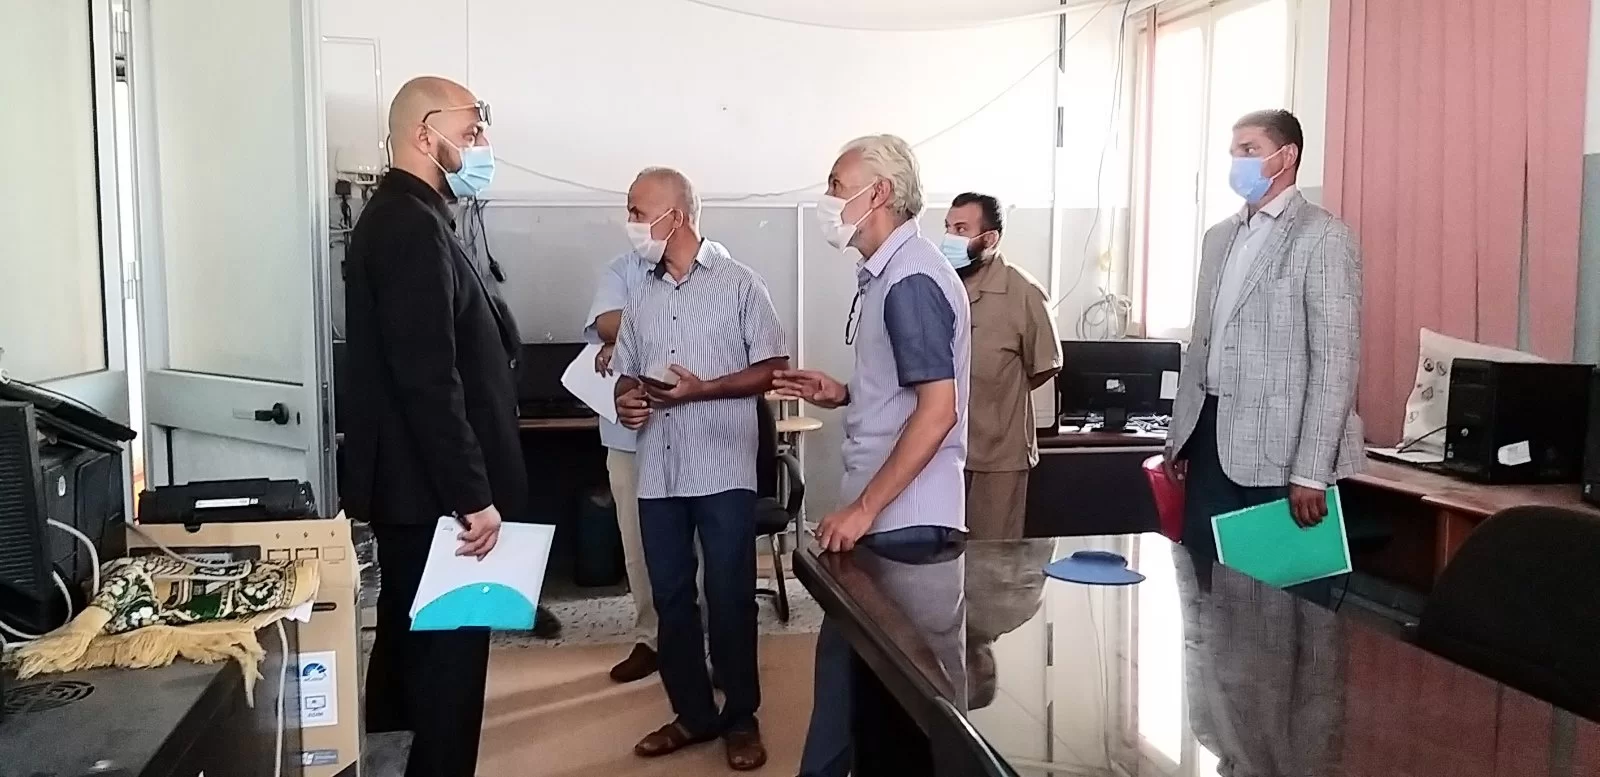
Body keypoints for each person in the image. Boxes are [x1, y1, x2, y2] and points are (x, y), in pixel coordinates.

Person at [773, 134, 971, 777]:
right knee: (844, 670)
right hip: (888, 515)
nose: (828, 199)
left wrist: (862, 510)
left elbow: (938, 411)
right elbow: (906, 392)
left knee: (900, 700)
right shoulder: (888, 275)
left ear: (878, 192)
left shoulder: (911, 278)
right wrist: (846, 392)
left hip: (906, 523)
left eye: (837, 185)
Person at [342, 75, 516, 777]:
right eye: (471, 132)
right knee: (446, 670)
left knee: (409, 651)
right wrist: (472, 494)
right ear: (424, 134)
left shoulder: (415, 214)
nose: (482, 144)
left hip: (418, 491)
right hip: (435, 499)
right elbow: (428, 379)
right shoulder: (409, 226)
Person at [610, 167, 789, 771]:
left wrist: (703, 390)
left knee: (729, 595)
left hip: (722, 469)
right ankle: (692, 713)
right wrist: (626, 400)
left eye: (638, 212)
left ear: (676, 217)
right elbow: (627, 375)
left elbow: (773, 368)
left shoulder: (740, 284)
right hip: (658, 472)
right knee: (670, 598)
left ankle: (740, 718)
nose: (631, 223)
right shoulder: (640, 293)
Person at [1163, 109, 1364, 606]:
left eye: (1249, 150)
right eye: (1234, 152)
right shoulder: (1219, 238)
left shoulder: (1323, 236)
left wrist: (1311, 471)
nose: (1238, 162)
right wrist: (1179, 438)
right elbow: (1202, 344)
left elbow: (1334, 362)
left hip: (1282, 450)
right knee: (1205, 591)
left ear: (1286, 156)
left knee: (1278, 606)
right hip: (1210, 436)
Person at [942, 193, 1061, 539]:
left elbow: (1043, 366)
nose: (949, 238)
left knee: (992, 558)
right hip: (942, 450)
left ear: (989, 238)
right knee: (941, 556)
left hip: (998, 456)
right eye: (947, 228)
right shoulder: (941, 283)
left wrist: (997, 398)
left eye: (961, 229)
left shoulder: (1023, 292)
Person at [583, 237, 661, 684]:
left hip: (691, 436)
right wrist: (624, 336)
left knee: (698, 546)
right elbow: (607, 322)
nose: (635, 222)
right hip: (626, 437)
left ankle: (705, 641)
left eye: (641, 210)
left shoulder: (717, 264)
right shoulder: (621, 267)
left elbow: (708, 329)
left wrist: (626, 340)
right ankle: (651, 638)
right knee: (637, 545)